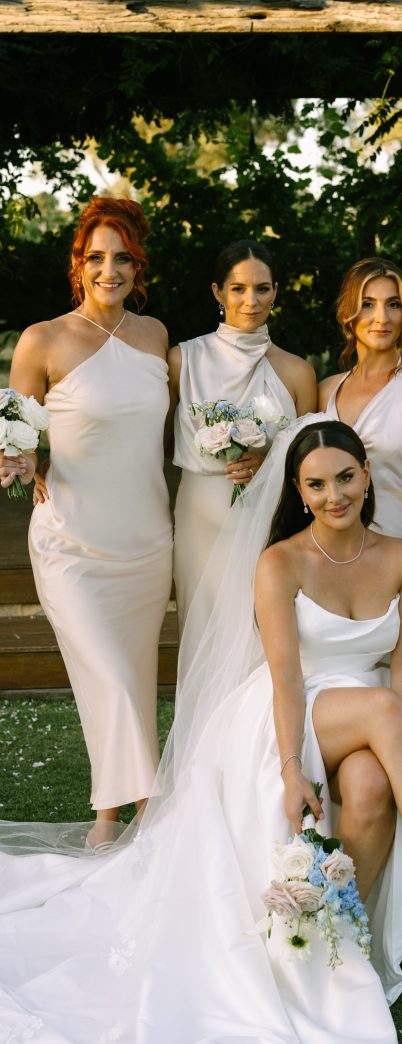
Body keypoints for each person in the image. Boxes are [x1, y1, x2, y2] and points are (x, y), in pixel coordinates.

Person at [0, 418, 402, 1043]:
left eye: (344, 478)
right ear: (298, 491)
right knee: (387, 714)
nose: (333, 495)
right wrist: (289, 766)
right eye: (315, 485)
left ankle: (338, 940)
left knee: (369, 785)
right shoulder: (280, 562)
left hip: (376, 709)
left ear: (366, 476)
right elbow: (285, 677)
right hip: (290, 713)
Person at [0, 197, 172, 847]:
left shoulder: (156, 338)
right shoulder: (41, 340)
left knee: (129, 679)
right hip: (71, 540)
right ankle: (151, 815)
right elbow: (17, 431)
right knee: (109, 677)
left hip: (147, 544)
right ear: (79, 263)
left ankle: (106, 819)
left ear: (138, 266)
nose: (110, 269)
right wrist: (22, 461)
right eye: (97, 257)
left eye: (122, 257)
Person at [319, 257, 402, 717]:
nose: (381, 317)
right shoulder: (326, 391)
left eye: (393, 305)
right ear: (347, 315)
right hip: (339, 560)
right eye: (368, 305)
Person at [168, 239, 316, 634]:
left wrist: (271, 463)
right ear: (218, 292)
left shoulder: (297, 372)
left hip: (267, 515)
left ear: (275, 293)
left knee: (259, 624)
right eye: (238, 288)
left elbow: (312, 460)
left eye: (262, 288)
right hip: (200, 511)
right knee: (202, 625)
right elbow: (154, 437)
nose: (251, 300)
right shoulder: (183, 360)